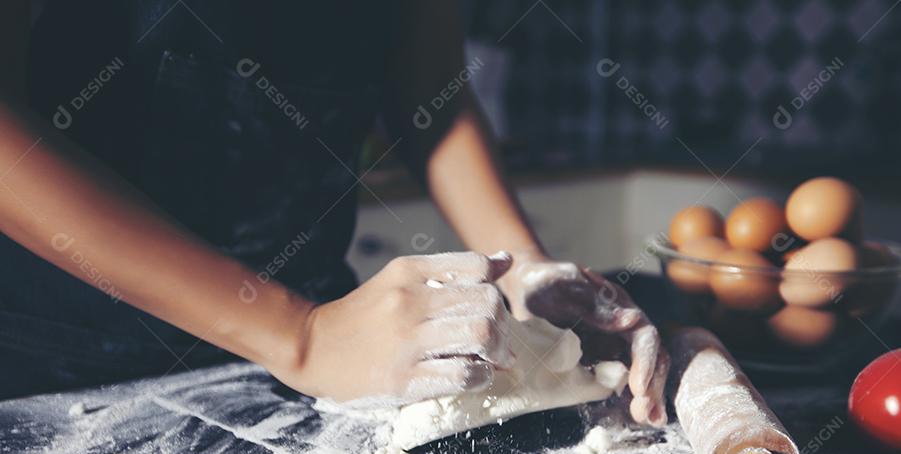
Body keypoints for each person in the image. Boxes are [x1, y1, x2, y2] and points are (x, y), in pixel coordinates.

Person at [0, 0, 668, 424]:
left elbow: (433, 100)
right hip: (69, 370)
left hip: (314, 365)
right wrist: (297, 335)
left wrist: (525, 268)